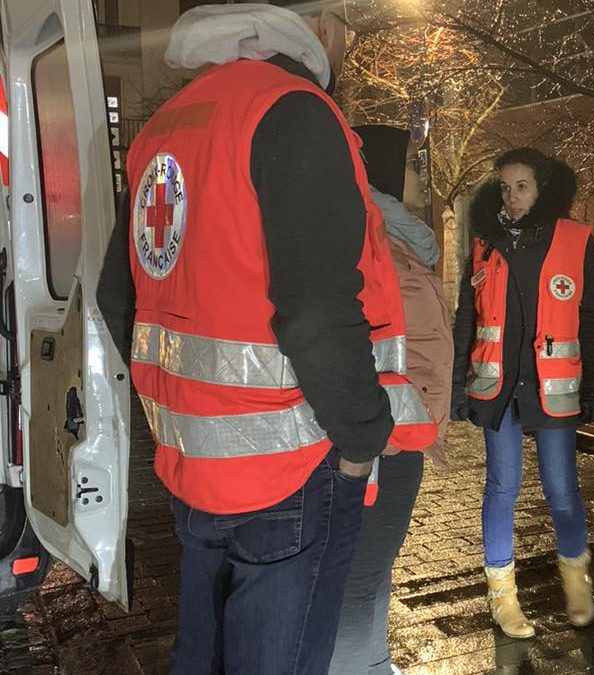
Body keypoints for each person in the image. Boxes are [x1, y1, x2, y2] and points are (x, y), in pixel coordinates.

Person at [96, 3, 399, 672]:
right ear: (317, 24)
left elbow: (117, 297)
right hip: (292, 466)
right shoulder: (293, 111)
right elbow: (318, 310)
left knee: (203, 657)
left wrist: (182, 415)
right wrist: (361, 438)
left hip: (194, 467)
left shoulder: (164, 129)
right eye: (345, 22)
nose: (347, 39)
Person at [451, 148, 594, 638]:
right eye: (505, 186)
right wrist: (459, 386)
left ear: (544, 188)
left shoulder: (573, 239)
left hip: (552, 391)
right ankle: (503, 597)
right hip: (499, 390)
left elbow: (591, 318)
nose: (512, 196)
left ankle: (576, 580)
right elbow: (467, 319)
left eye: (522, 186)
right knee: (501, 489)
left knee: (562, 490)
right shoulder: (484, 243)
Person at [330, 125, 452, 675]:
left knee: (373, 573)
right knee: (356, 580)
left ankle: (373, 662)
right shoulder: (371, 240)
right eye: (413, 165)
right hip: (379, 448)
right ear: (381, 171)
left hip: (399, 441)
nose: (423, 177)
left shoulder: (397, 239)